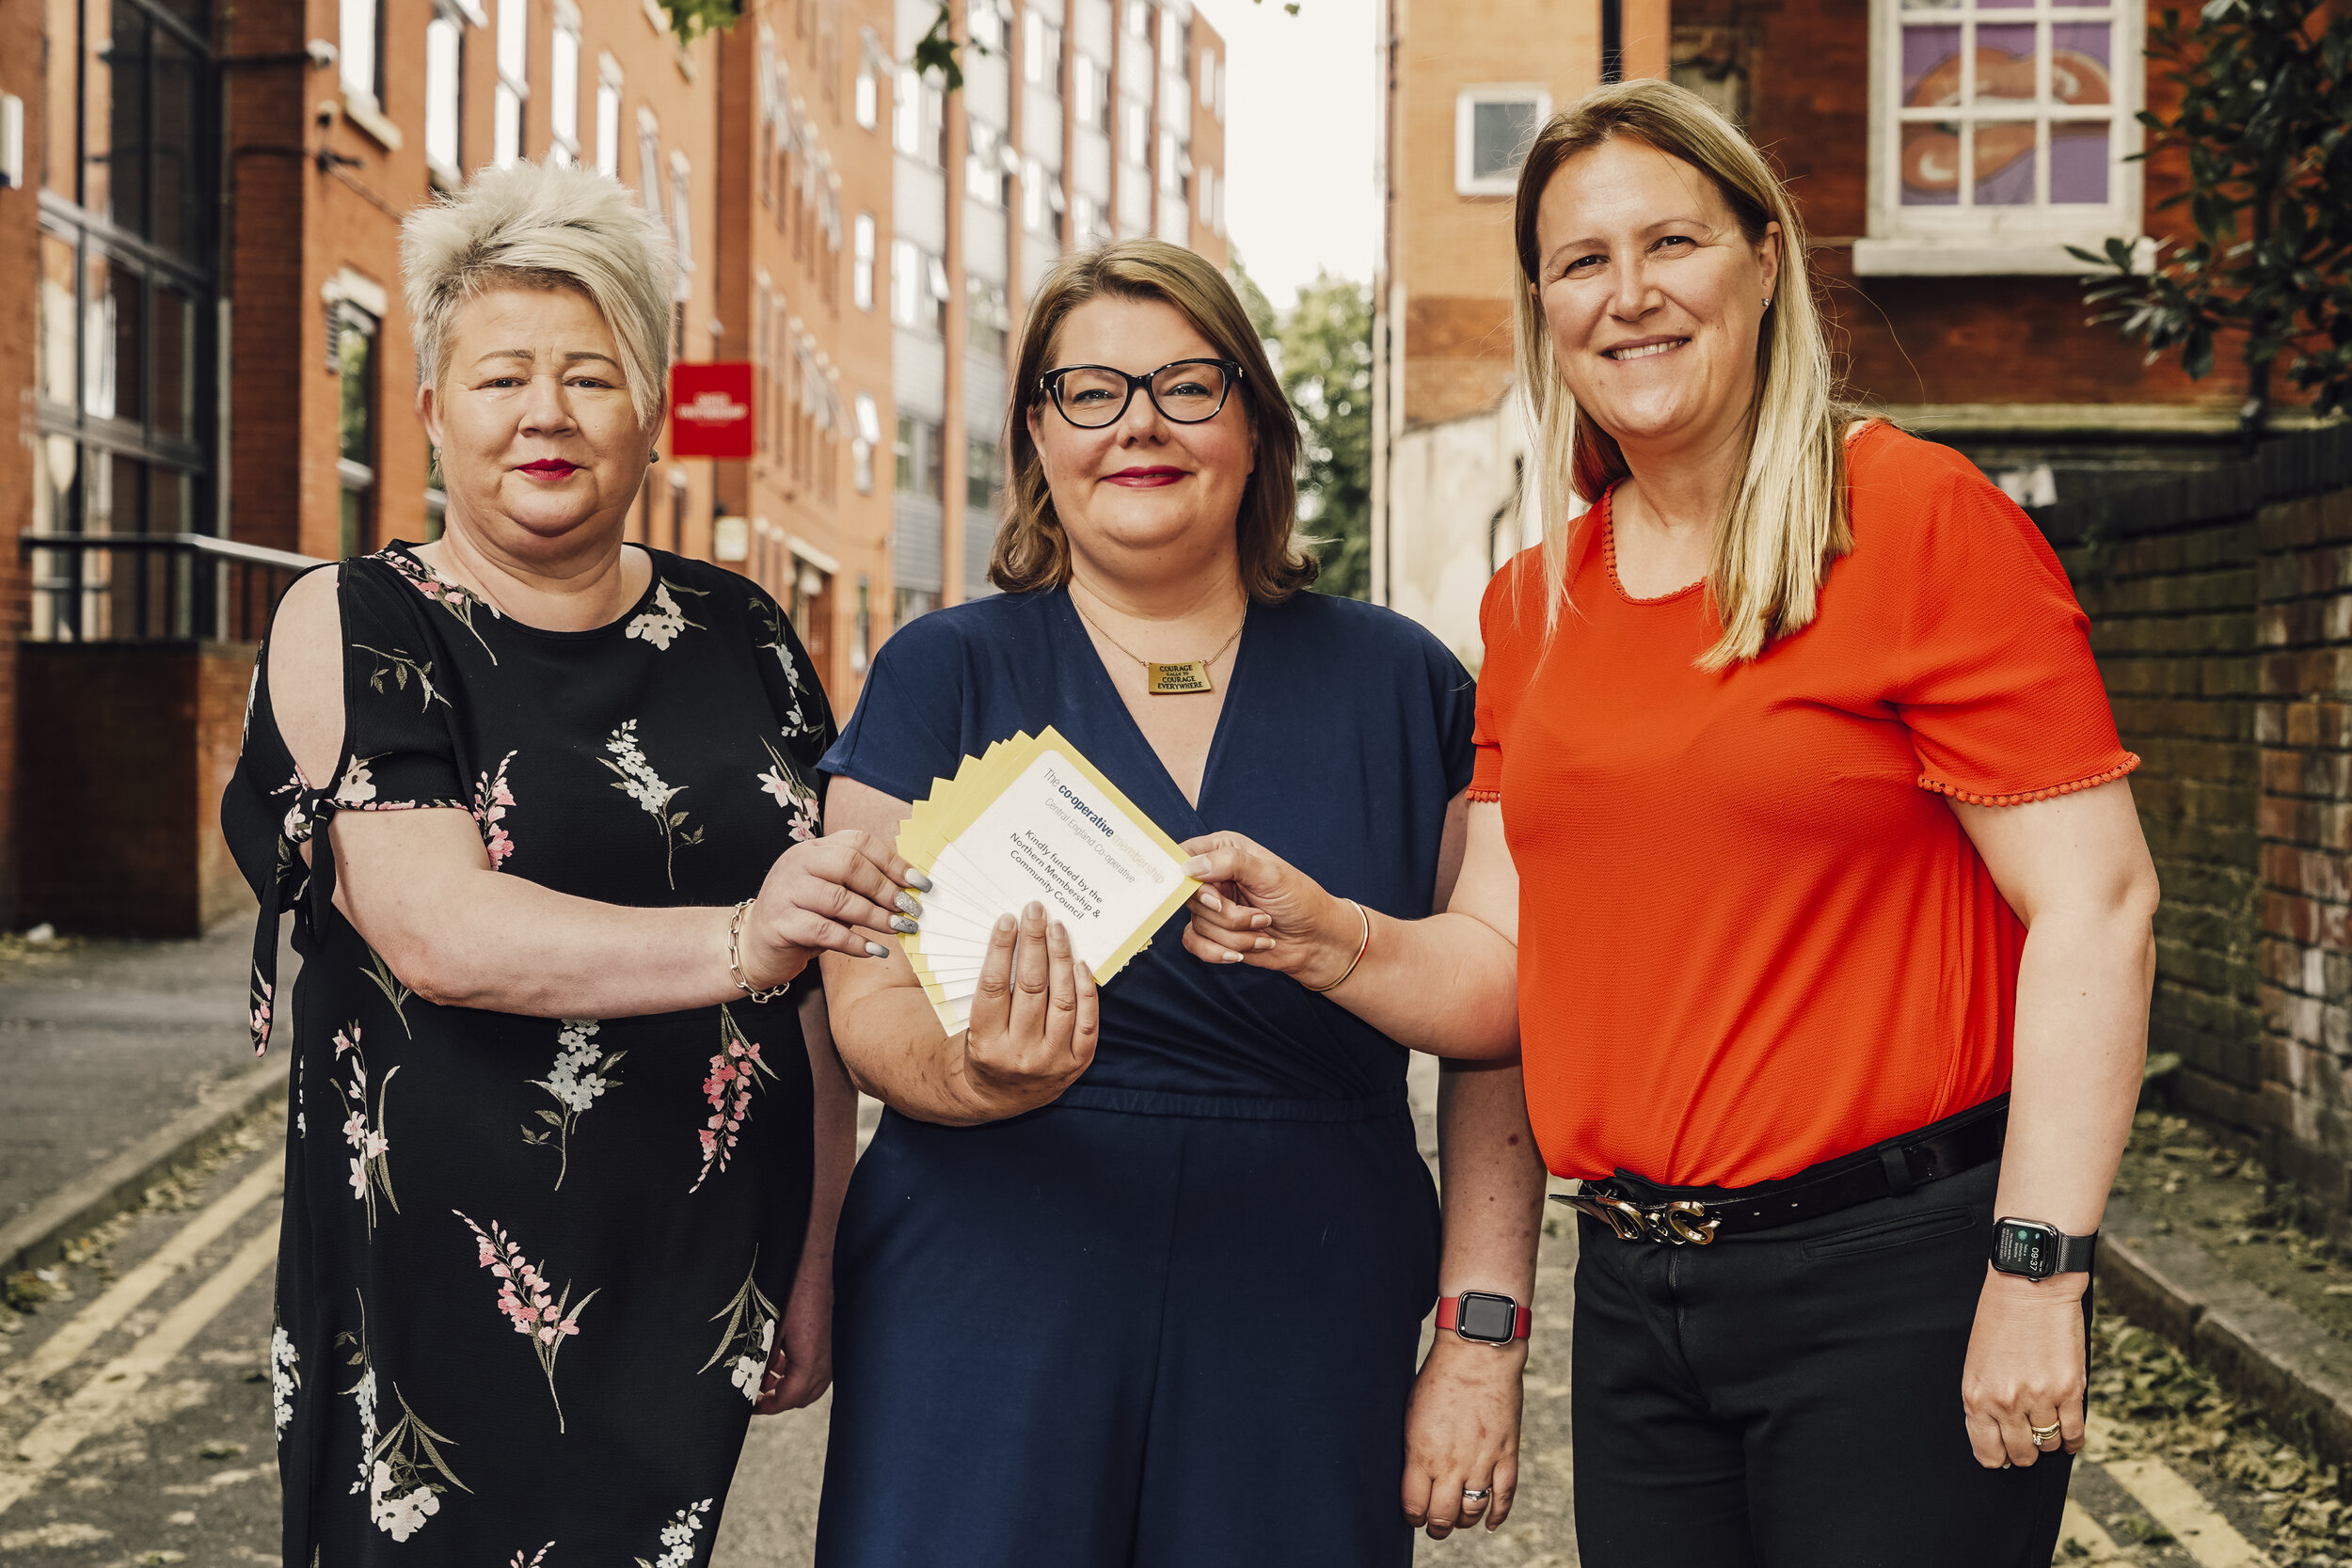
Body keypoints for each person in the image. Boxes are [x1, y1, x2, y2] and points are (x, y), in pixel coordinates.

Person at [1177, 78, 2161, 1566]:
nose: (1628, 298)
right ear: (1544, 306)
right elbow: (1506, 980)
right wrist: (1331, 938)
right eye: (1582, 262)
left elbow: (2098, 907)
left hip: (1891, 1281)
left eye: (1673, 245)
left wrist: (2039, 1270)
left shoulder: (1913, 518)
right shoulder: (1535, 603)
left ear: (1765, 261)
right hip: (1639, 1296)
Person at [220, 159, 921, 1563]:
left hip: (691, 1276)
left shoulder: (750, 635)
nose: (547, 413)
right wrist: (743, 940)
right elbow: (435, 930)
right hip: (436, 1295)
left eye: (593, 375)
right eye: (500, 378)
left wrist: (817, 1259)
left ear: (654, 412)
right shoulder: (356, 621)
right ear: (429, 410)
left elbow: (831, 973)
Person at [811, 239, 1510, 1567]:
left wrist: (1481, 1337)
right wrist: (970, 1075)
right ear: (1036, 436)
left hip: (1303, 1287)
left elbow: (1499, 1017)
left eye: (1190, 385)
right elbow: (866, 1001)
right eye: (1089, 391)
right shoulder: (938, 672)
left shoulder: (1405, 684)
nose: (1138, 422)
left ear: (1257, 424)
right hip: (986, 1267)